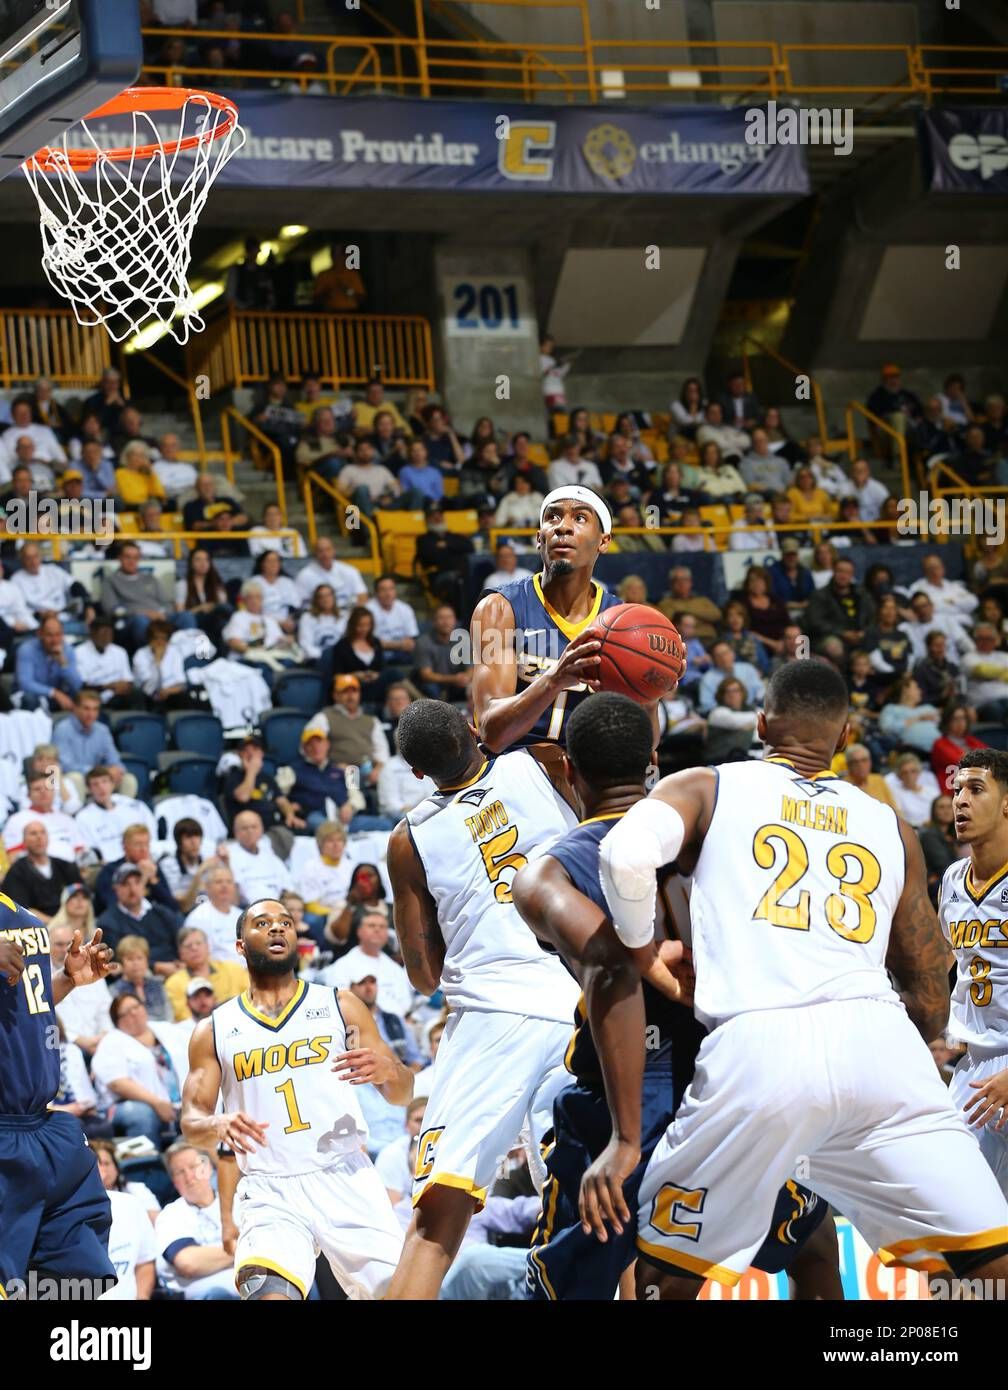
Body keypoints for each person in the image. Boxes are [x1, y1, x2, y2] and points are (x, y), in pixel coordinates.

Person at [587, 659, 1008, 1300]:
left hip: (761, 1048)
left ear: (760, 724)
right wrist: (907, 1040)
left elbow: (622, 855)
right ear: (845, 740)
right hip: (882, 1048)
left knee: (664, 1273)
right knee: (989, 1262)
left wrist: (645, 955)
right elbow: (927, 977)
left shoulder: (707, 784)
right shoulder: (891, 825)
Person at [510, 693, 838, 1301]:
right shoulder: (722, 837)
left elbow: (612, 971)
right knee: (813, 1246)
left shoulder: (545, 875)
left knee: (569, 1288)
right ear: (653, 761)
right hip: (724, 1078)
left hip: (619, 1091)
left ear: (570, 771)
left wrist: (626, 1136)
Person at [383, 700, 581, 1300]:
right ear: (473, 730)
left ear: (416, 774)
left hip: (492, 1016)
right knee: (594, 1202)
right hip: (579, 1002)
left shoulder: (408, 838)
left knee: (439, 1215)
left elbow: (422, 974)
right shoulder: (544, 764)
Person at [180, 897, 411, 1299]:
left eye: (285, 923)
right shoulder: (214, 1029)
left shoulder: (340, 1005)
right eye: (263, 923)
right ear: (240, 946)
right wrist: (217, 1123)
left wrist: (390, 1071)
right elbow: (191, 1122)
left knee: (403, 1293)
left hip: (345, 1176)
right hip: (270, 1188)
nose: (277, 929)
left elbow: (402, 1093)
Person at [0, 903, 116, 1294]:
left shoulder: (27, 919)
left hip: (45, 1128)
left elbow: (26, 1002)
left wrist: (66, 978)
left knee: (77, 1277)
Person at [470, 487, 632, 760]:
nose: (563, 528)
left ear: (604, 541)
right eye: (553, 518)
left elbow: (644, 747)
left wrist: (652, 693)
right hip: (515, 772)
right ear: (539, 538)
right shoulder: (499, 609)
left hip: (590, 777)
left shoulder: (622, 621)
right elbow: (491, 734)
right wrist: (554, 680)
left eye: (580, 518)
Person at [939, 751, 1008, 1196]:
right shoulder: (950, 879)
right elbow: (950, 966)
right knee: (962, 1227)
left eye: (976, 790)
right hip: (974, 1070)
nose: (960, 801)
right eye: (957, 790)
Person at [90, 991, 182, 1149]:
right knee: (141, 1114)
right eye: (126, 1012)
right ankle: (146, 1169)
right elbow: (117, 1083)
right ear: (117, 1021)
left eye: (136, 1007)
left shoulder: (166, 1029)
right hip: (127, 1106)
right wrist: (156, 1103)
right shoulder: (111, 1041)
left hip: (178, 1101)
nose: (134, 1013)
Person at [154, 1143, 240, 1300]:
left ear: (208, 1169)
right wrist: (244, 1247)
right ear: (174, 1181)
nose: (189, 1177)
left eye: (194, 1167)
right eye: (180, 1172)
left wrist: (213, 1258)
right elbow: (188, 1263)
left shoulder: (239, 1203)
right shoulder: (171, 1215)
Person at [321, 907, 414, 1020]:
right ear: (359, 931)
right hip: (359, 1024)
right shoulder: (343, 965)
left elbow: (405, 1001)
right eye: (371, 926)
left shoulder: (394, 968)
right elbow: (339, 1001)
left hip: (393, 1025)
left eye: (382, 927)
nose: (377, 930)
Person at [91, 1142, 158, 1299]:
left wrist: (142, 1297)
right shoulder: (59, 1209)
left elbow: (145, 1261)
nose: (102, 1169)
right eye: (96, 1164)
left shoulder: (132, 1203)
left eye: (106, 1163)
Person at [77, 764, 156, 865]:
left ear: (112, 784)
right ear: (89, 789)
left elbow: (151, 833)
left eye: (104, 782)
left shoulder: (134, 807)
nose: (101, 787)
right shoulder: (83, 817)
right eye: (95, 784)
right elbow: (90, 851)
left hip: (142, 859)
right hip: (108, 865)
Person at [164, 926, 247, 1022]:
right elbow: (183, 1018)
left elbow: (252, 999)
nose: (194, 948)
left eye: (198, 943)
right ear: (180, 953)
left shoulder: (233, 969)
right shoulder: (173, 984)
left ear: (208, 946)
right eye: (188, 946)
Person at [1, 823, 79, 922]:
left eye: (43, 832)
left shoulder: (65, 866)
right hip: (36, 927)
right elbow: (21, 909)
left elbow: (82, 896)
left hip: (72, 922)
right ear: (24, 842)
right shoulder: (17, 872)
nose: (39, 837)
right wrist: (56, 924)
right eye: (33, 833)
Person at [413, 603, 471, 702]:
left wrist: (466, 678)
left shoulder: (463, 639)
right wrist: (454, 679)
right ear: (434, 622)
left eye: (449, 617)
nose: (446, 622)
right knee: (431, 688)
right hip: (434, 684)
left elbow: (471, 668)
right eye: (441, 618)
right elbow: (426, 675)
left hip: (457, 683)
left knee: (474, 685)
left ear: (455, 620)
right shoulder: (423, 642)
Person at [110, 934, 171, 1023]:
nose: (136, 963)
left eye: (139, 958)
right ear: (122, 963)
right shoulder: (114, 991)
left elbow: (169, 1015)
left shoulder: (158, 984)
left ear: (147, 961)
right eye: (130, 959)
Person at [74, 617, 133, 707]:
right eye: (104, 633)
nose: (107, 637)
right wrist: (108, 686)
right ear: (93, 633)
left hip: (117, 698)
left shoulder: (120, 652)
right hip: (91, 697)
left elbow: (128, 681)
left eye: (110, 633)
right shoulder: (78, 652)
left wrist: (124, 687)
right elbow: (82, 686)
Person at [931, 704, 987, 793]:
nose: (960, 722)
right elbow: (962, 762)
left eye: (963, 718)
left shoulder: (971, 740)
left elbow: (989, 757)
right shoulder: (940, 744)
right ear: (947, 721)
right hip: (953, 791)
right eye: (955, 719)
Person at [918, 794, 964, 901]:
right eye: (941, 807)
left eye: (949, 807)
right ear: (934, 812)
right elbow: (943, 865)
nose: (946, 811)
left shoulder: (953, 835)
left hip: (947, 879)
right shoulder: (929, 834)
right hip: (934, 886)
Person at [884, 752, 942, 828]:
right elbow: (900, 817)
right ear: (899, 775)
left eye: (913, 771)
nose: (909, 776)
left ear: (919, 772)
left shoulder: (932, 791)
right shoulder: (895, 793)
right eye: (905, 772)